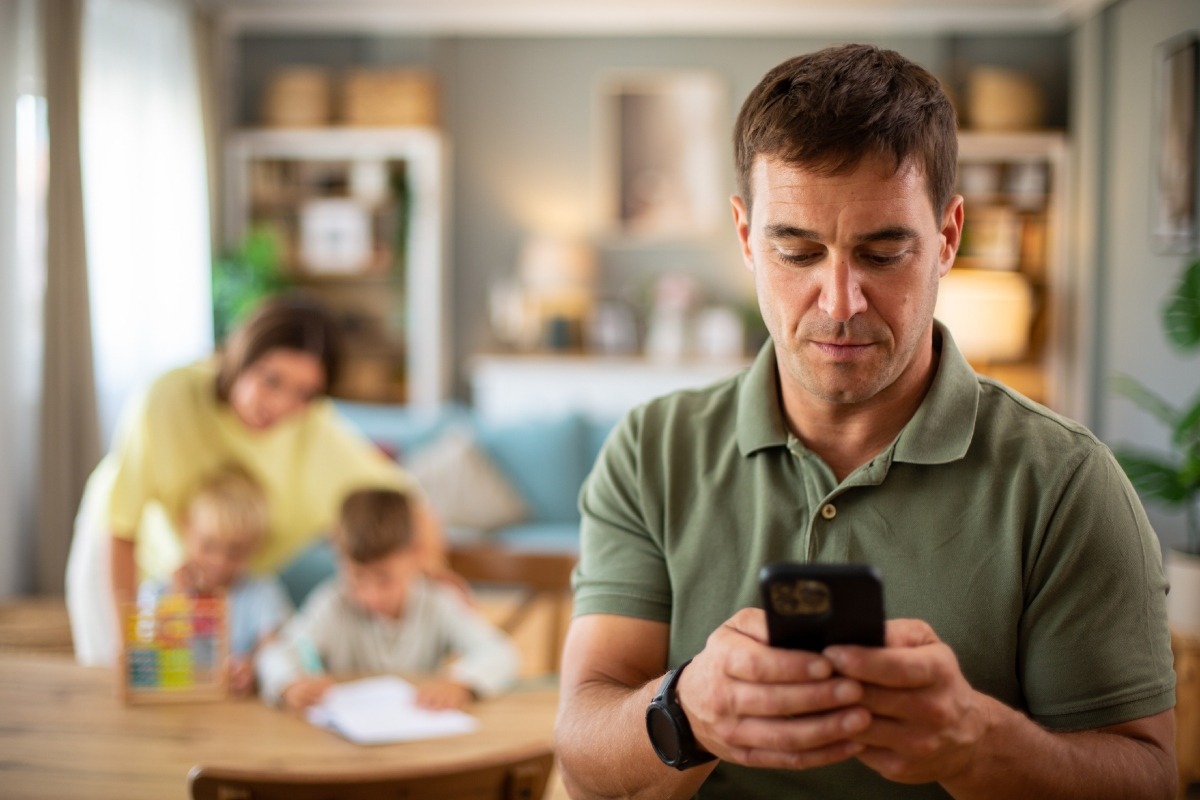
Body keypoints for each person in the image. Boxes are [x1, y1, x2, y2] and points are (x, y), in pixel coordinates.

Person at [555, 43, 1177, 800]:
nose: (840, 301)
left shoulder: (1067, 485)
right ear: (747, 236)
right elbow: (581, 751)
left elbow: (1149, 779)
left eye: (883, 254)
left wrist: (975, 743)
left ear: (948, 237)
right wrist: (686, 711)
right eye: (797, 251)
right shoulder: (651, 450)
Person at [66, 292, 448, 666]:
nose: (282, 405)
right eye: (271, 380)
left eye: (305, 392)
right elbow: (121, 527)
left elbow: (409, 502)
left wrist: (432, 579)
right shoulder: (168, 398)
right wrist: (129, 641)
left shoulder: (314, 431)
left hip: (223, 593)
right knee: (116, 680)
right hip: (127, 563)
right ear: (240, 356)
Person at [255, 487, 519, 710]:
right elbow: (277, 653)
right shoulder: (332, 603)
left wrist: (462, 684)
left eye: (384, 579)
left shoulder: (438, 603)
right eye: (357, 577)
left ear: (416, 555)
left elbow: (500, 653)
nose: (370, 595)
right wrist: (289, 683)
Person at [137, 465, 291, 696]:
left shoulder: (262, 594)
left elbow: (274, 647)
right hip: (176, 706)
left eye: (235, 551)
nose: (220, 561)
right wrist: (175, 600)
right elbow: (145, 663)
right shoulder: (158, 593)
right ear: (186, 529)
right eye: (208, 546)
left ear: (256, 546)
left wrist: (251, 668)